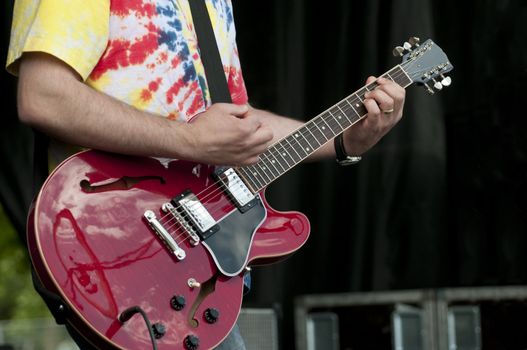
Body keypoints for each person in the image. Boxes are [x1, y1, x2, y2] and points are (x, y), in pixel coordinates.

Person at [6, 0, 405, 349]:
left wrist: (344, 141)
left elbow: (235, 129)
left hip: (200, 264)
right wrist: (189, 141)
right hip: (115, 243)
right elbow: (43, 96)